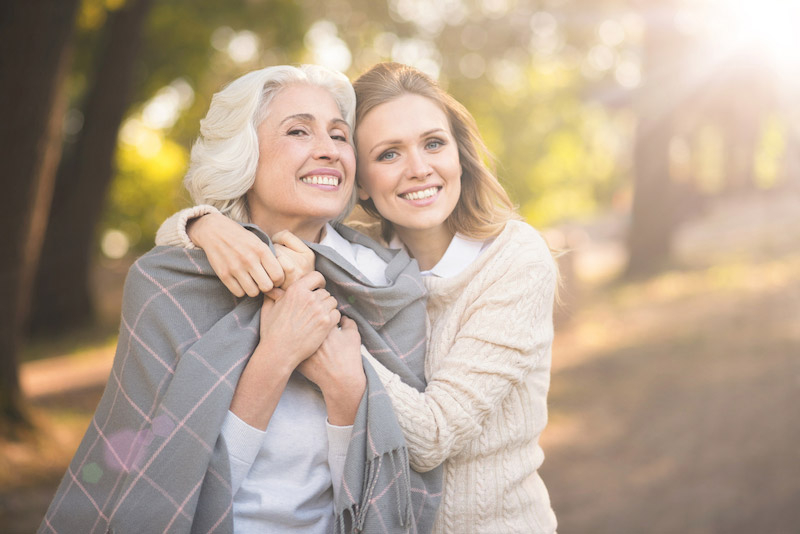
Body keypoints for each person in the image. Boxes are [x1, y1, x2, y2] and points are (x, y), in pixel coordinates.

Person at [157, 62, 559, 533]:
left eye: (434, 143)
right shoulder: (368, 261)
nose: (419, 169)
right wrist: (201, 223)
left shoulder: (513, 258)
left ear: (459, 154)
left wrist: (318, 332)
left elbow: (432, 437)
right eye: (389, 154)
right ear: (361, 180)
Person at [39, 64, 441, 534]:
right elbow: (159, 468)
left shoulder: (389, 285)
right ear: (243, 153)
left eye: (339, 135)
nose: (329, 151)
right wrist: (276, 356)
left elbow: (398, 477)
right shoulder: (170, 282)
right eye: (298, 131)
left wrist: (346, 391)